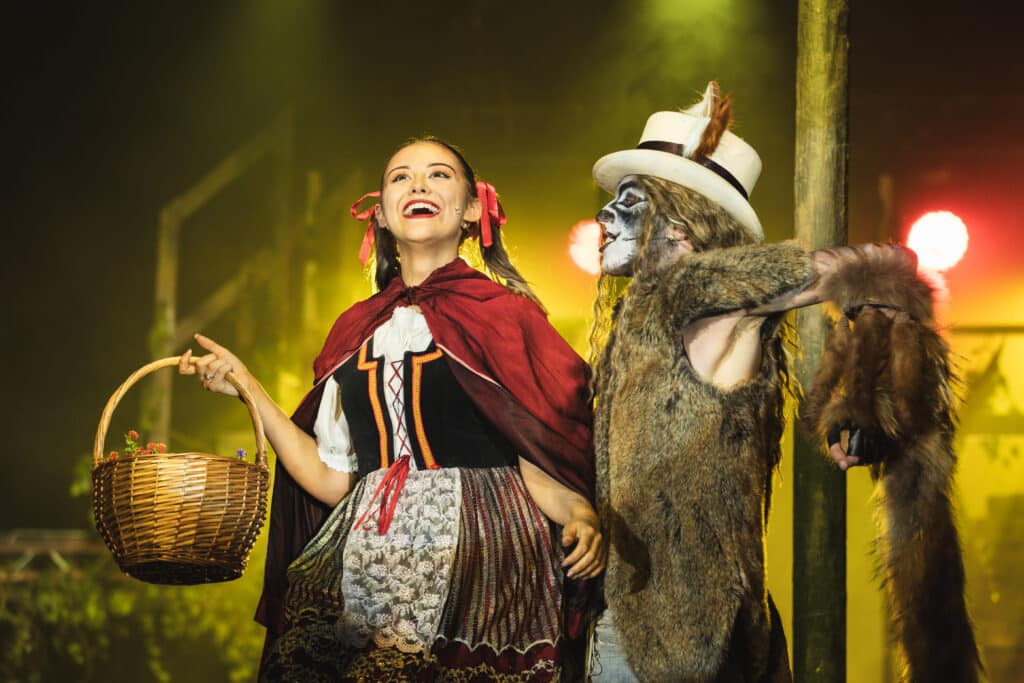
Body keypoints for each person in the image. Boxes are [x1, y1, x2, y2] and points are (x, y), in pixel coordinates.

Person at [587, 83, 980, 682]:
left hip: (686, 640)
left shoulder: (697, 291)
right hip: (654, 624)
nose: (605, 215)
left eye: (631, 200)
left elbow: (875, 267)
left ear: (685, 222)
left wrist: (870, 387)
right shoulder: (644, 316)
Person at [180, 137, 606, 681]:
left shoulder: (505, 317)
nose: (419, 185)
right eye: (401, 177)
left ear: (474, 208)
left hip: (482, 555)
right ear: (380, 213)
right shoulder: (356, 328)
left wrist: (582, 516)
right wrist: (249, 389)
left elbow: (541, 458)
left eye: (438, 175)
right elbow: (336, 479)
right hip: (369, 552)